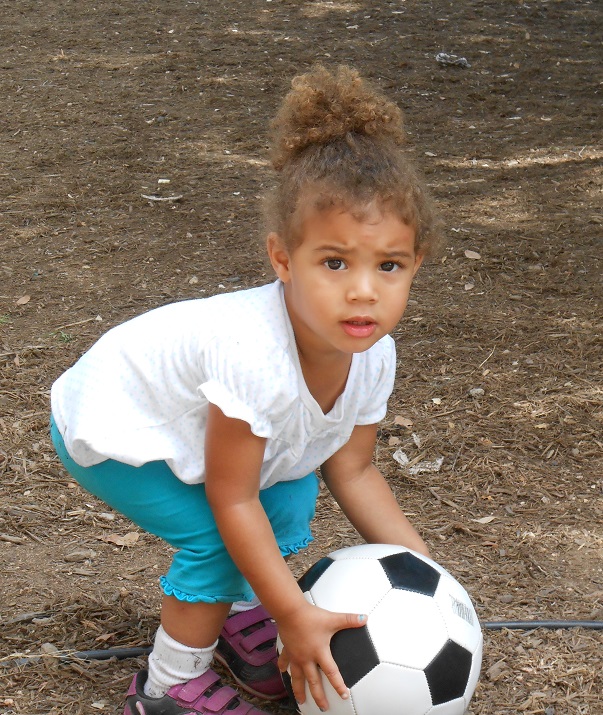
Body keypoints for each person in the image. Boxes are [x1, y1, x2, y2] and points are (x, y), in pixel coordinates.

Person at [50, 65, 442, 715]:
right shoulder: (254, 354)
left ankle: (235, 612)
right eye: (334, 261)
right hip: (118, 420)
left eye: (389, 265)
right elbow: (231, 499)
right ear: (282, 260)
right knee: (214, 536)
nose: (363, 289)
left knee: (291, 492)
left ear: (414, 265)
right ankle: (168, 685)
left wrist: (425, 572)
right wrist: (293, 610)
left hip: (205, 432)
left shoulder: (374, 355)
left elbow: (353, 465)